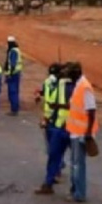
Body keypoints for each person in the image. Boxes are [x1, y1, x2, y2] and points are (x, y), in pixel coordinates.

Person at [35, 63, 74, 195]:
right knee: (76, 161)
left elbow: (53, 105)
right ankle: (75, 189)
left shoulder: (59, 86)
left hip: (59, 125)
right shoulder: (79, 86)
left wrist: (47, 119)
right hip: (73, 127)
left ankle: (49, 182)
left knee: (54, 154)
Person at [64, 62, 99, 202]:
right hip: (75, 131)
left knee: (78, 165)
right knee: (74, 163)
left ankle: (79, 193)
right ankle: (75, 190)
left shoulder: (85, 88)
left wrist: (88, 133)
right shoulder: (78, 85)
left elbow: (91, 111)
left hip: (81, 133)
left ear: (76, 73)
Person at [36, 63, 61, 152]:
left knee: (53, 142)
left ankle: (56, 159)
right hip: (52, 116)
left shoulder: (59, 85)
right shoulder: (51, 83)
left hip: (53, 117)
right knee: (53, 142)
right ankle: (56, 159)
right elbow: (43, 92)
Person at [4, 36, 23, 116]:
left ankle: (14, 109)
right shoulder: (16, 50)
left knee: (12, 92)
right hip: (16, 73)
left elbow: (12, 64)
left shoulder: (13, 51)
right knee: (15, 91)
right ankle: (15, 107)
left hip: (13, 74)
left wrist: (10, 74)